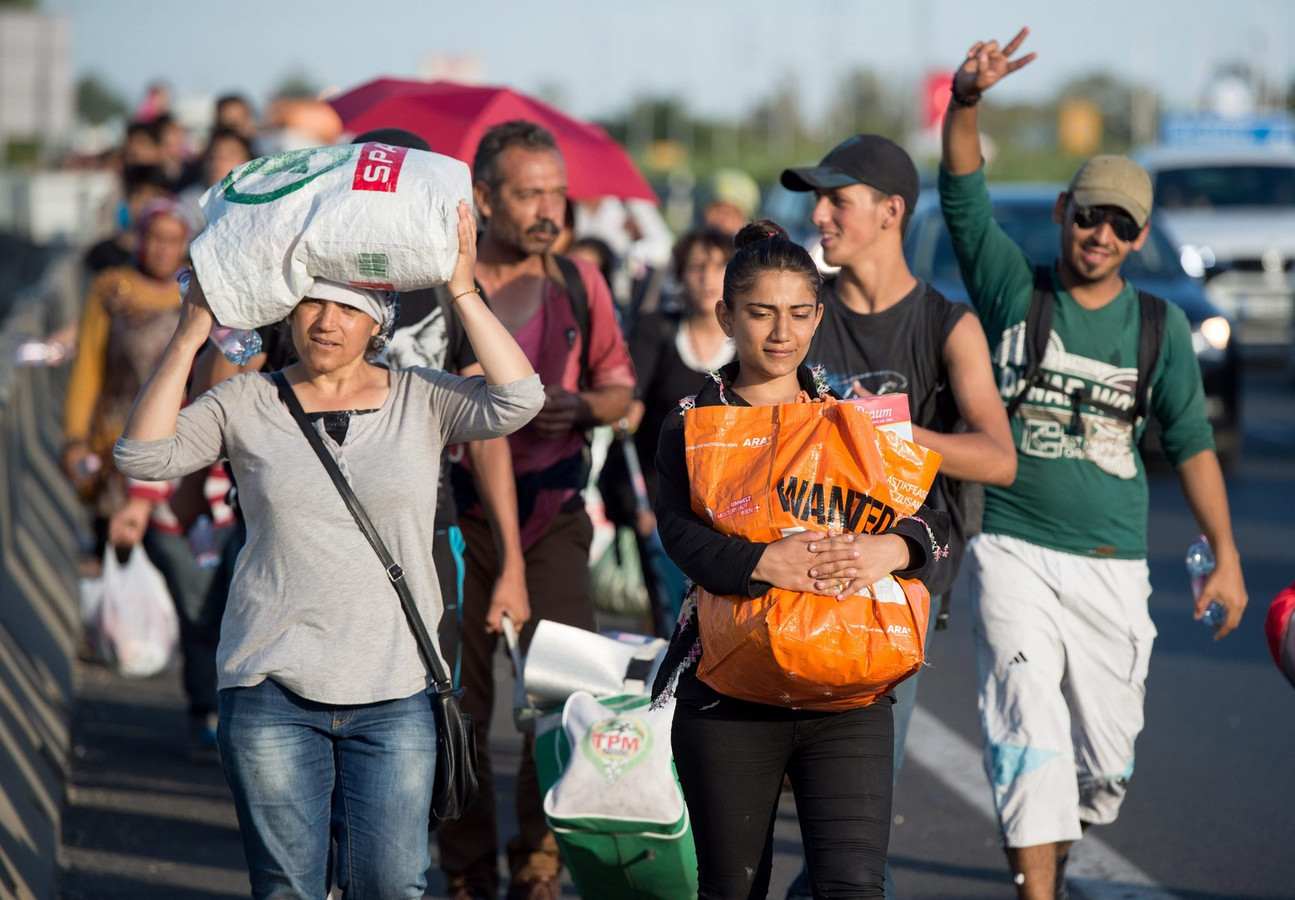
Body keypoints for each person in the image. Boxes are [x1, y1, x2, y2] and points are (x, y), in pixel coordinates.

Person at [114, 200, 544, 898]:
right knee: (288, 888)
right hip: (270, 687)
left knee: (391, 884)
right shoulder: (247, 402)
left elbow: (518, 400)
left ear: (379, 321)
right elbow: (141, 454)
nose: (325, 322)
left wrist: (461, 288)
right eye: (311, 305)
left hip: (396, 691)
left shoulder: (422, 397)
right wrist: (196, 324)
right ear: (288, 313)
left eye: (347, 308)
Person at [940, 28, 1249, 900]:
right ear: (1062, 215)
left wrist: (1225, 556)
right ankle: (1036, 891)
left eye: (1119, 223)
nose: (1100, 234)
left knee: (1099, 763)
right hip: (1010, 549)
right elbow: (962, 193)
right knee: (1024, 727)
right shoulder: (1013, 290)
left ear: (1140, 235)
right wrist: (966, 101)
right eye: (1088, 215)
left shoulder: (1160, 328)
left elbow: (1189, 444)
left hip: (1111, 566)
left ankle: (1055, 846)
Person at [651, 220, 950, 899]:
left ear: (818, 315)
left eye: (797, 313)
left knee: (851, 887)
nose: (780, 333)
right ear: (726, 314)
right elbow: (675, 533)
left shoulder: (856, 416)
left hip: (850, 693)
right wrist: (763, 563)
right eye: (759, 313)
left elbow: (927, 523)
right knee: (731, 888)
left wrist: (891, 547)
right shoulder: (690, 423)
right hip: (730, 691)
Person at [779, 133, 1017, 898]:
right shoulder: (800, 315)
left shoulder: (946, 325)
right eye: (815, 199)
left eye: (835, 200)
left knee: (853, 819)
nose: (817, 215)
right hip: (787, 577)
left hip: (893, 594)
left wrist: (894, 435)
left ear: (889, 212)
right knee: (759, 801)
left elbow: (996, 455)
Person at [437, 120, 636, 900]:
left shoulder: (580, 283)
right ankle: (464, 868)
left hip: (553, 515)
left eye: (556, 191)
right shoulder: (443, 285)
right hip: (456, 521)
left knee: (560, 700)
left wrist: (580, 405)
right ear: (483, 197)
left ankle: (539, 861)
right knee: (459, 708)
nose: (548, 207)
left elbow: (620, 390)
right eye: (529, 193)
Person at [598, 225, 737, 634]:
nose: (707, 278)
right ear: (679, 276)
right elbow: (631, 401)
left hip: (727, 503)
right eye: (696, 267)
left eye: (718, 267)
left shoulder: (750, 340)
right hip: (659, 496)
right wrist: (622, 406)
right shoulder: (658, 330)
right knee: (667, 619)